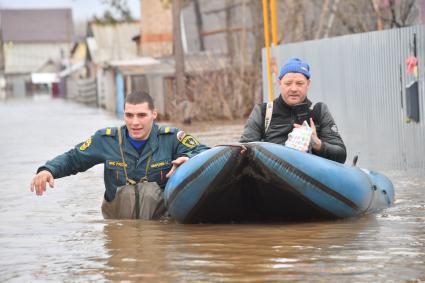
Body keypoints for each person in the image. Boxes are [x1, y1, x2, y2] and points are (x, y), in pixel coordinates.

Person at [30, 91, 209, 219]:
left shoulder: (171, 138)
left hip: (160, 228)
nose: (135, 122)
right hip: (119, 229)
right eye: (129, 115)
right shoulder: (106, 139)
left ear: (154, 114)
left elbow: (204, 152)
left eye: (141, 115)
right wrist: (48, 170)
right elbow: (74, 158)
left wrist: (188, 161)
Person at [240, 58, 346, 163]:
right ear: (279, 83)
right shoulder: (263, 112)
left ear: (308, 84)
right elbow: (243, 151)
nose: (294, 89)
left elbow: (341, 155)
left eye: (299, 83)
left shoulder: (319, 111)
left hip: (310, 176)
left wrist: (317, 144)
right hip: (270, 176)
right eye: (288, 83)